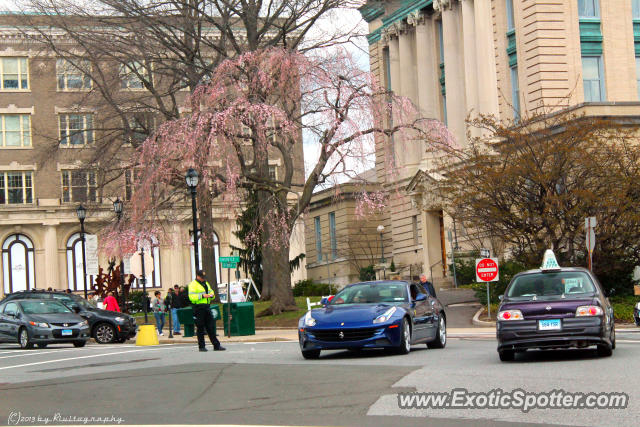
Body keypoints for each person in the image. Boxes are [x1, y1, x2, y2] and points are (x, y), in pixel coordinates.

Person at [188, 269, 225, 352]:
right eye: (202, 277)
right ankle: (201, 346)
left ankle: (216, 345)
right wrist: (202, 296)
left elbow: (211, 291)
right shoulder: (193, 285)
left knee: (211, 327)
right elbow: (191, 297)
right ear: (197, 276)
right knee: (200, 328)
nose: (203, 278)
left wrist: (211, 295)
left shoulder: (206, 283)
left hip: (207, 307)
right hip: (198, 307)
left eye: (204, 277)